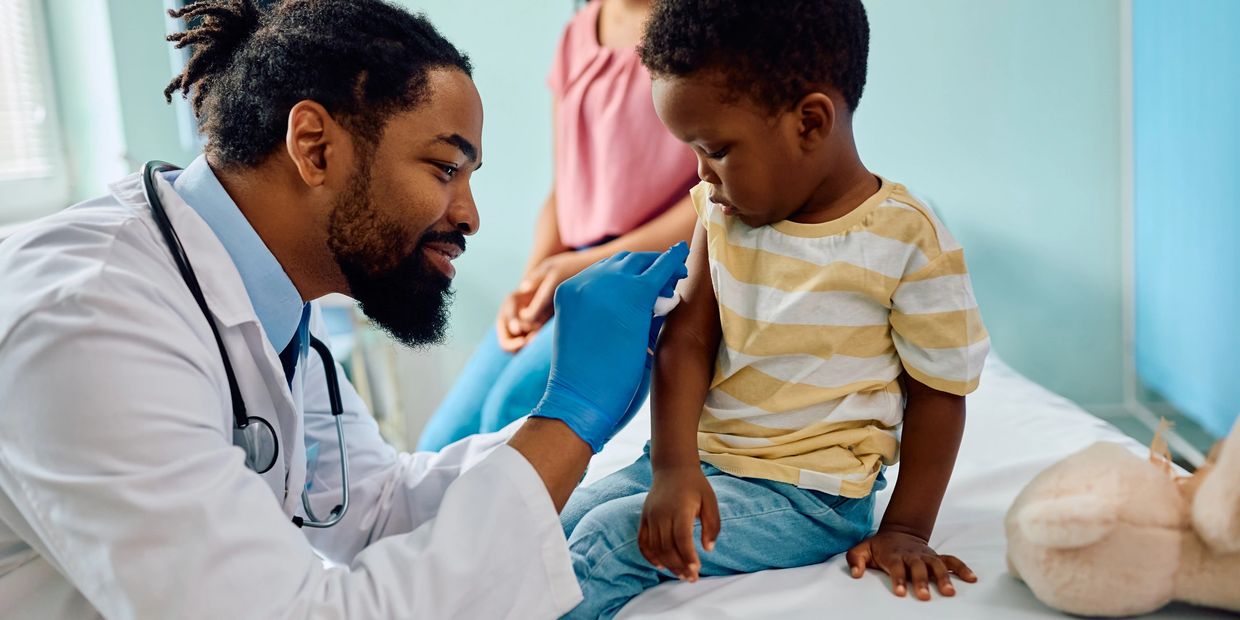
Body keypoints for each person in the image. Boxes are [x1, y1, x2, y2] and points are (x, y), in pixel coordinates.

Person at [0, 1, 687, 618]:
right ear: (314, 146)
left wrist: (583, 431)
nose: (469, 216)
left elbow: (380, 506)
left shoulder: (263, 296)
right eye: (444, 169)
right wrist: (570, 416)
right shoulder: (89, 322)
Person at [558, 1, 991, 618]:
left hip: (807, 497)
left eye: (716, 149)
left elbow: (939, 393)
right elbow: (688, 342)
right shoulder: (721, 216)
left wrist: (905, 528)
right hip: (701, 462)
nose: (702, 175)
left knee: (609, 543)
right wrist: (675, 468)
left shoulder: (907, 240)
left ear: (809, 123)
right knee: (556, 522)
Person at [417, 0, 698, 451]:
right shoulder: (579, 32)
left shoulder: (700, 25)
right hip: (573, 266)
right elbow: (566, 185)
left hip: (650, 270)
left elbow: (710, 198)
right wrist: (533, 284)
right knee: (441, 440)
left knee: (511, 411)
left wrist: (579, 267)